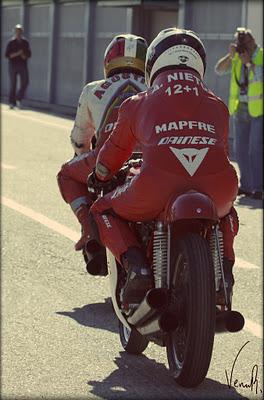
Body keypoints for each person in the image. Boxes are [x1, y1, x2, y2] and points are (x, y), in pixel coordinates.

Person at [87, 28, 239, 304]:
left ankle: (137, 267)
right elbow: (222, 153)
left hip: (155, 187)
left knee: (101, 209)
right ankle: (225, 272)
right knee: (227, 214)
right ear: (200, 63)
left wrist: (100, 175)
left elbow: (114, 154)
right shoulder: (218, 105)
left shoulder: (137, 103)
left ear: (153, 63)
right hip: (218, 187)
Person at [57, 33, 148, 273]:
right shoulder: (156, 88)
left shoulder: (93, 89)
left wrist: (87, 163)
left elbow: (79, 140)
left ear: (108, 61)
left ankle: (89, 231)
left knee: (66, 174)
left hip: (108, 158)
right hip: (151, 158)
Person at [215, 27, 263, 200]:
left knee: (255, 149)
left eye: (244, 42)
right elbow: (219, 70)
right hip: (239, 108)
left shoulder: (260, 55)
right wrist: (231, 56)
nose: (242, 46)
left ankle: (259, 187)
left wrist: (249, 63)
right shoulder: (236, 57)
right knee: (240, 149)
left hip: (258, 110)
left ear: (252, 41)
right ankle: (247, 186)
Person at [5, 24, 31, 109]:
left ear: (22, 32)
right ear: (14, 32)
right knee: (13, 84)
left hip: (23, 65)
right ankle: (11, 102)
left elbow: (29, 54)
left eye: (20, 31)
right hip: (13, 66)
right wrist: (17, 53)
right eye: (17, 31)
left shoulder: (25, 42)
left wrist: (24, 55)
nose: (18, 33)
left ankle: (18, 98)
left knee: (25, 82)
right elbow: (7, 55)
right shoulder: (11, 42)